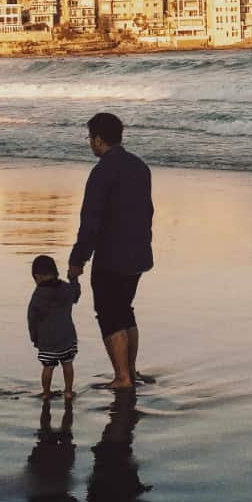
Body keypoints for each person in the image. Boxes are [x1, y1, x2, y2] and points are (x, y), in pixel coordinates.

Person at [68, 112, 153, 391]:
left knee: (108, 313)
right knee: (125, 310)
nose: (90, 143)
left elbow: (91, 220)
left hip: (112, 255)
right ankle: (131, 370)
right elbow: (147, 211)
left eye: (90, 138)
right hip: (138, 253)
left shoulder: (102, 172)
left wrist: (78, 259)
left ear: (98, 139)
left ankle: (122, 377)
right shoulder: (140, 167)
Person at [27, 255, 81, 400]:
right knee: (68, 364)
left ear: (37, 276)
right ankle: (68, 391)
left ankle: (46, 392)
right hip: (67, 338)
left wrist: (34, 338)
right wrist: (74, 279)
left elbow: (32, 319)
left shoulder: (38, 295)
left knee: (48, 367)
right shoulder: (66, 288)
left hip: (47, 341)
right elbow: (76, 295)